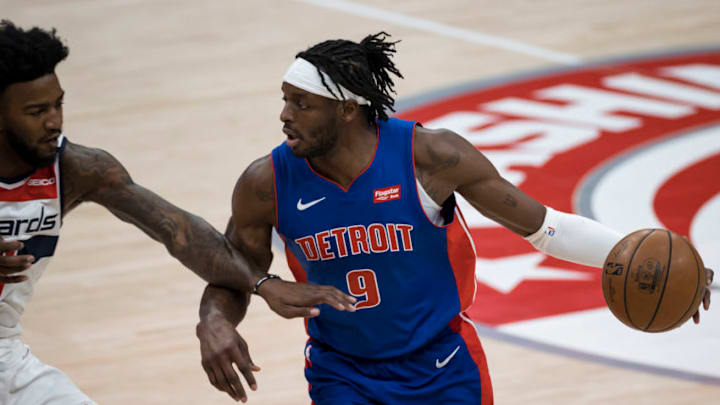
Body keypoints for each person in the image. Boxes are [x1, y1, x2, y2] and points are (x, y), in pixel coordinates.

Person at [195, 32, 714, 404]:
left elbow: (546, 228)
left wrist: (657, 262)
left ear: (347, 109)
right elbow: (231, 270)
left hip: (444, 367)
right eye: (285, 101)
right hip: (342, 374)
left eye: (301, 104)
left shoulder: (431, 157)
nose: (285, 115)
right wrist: (214, 321)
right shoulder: (267, 182)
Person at [0, 20, 357, 405]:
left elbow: (177, 231)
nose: (54, 121)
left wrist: (263, 283)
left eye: (58, 104)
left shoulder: (77, 168)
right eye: (36, 111)